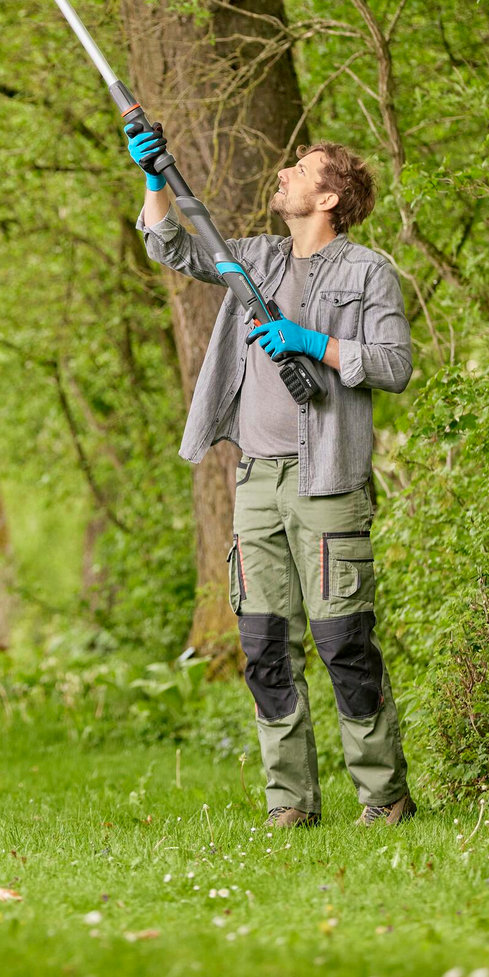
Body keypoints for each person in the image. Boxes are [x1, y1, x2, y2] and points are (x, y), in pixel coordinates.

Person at [130, 129, 415, 829]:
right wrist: (155, 178)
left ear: (330, 196)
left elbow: (394, 363)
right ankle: (290, 801)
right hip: (256, 481)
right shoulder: (253, 258)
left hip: (329, 482)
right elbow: (173, 247)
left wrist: (313, 342)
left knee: (344, 641)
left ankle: (384, 798)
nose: (284, 173)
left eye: (302, 170)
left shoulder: (368, 272)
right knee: (262, 645)